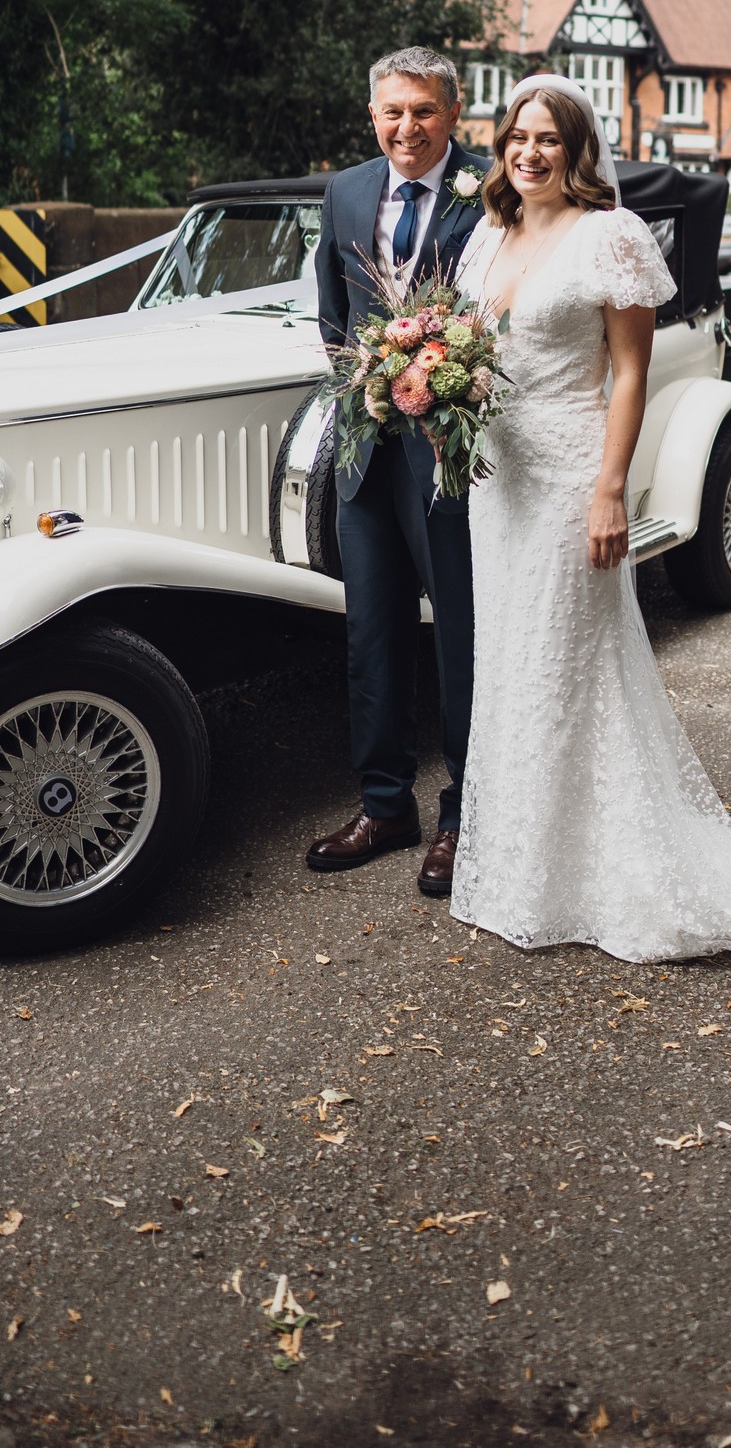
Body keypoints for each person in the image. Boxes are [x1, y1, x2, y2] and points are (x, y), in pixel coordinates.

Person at [449, 71, 731, 961]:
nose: (530, 153)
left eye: (548, 139)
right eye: (517, 138)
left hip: (571, 472)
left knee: (565, 659)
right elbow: (468, 350)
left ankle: (601, 867)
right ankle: (523, 863)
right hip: (497, 480)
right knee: (508, 658)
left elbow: (628, 374)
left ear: (577, 150)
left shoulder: (609, 236)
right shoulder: (490, 232)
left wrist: (611, 488)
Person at [307, 48, 487, 898]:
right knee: (371, 633)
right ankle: (384, 807)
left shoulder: (490, 190)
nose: (406, 128)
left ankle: (463, 814)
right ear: (372, 116)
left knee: (461, 636)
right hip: (364, 450)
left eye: (422, 111)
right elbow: (334, 314)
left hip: (450, 453)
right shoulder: (344, 191)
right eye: (392, 112)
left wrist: (449, 389)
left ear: (453, 112)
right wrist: (366, 389)